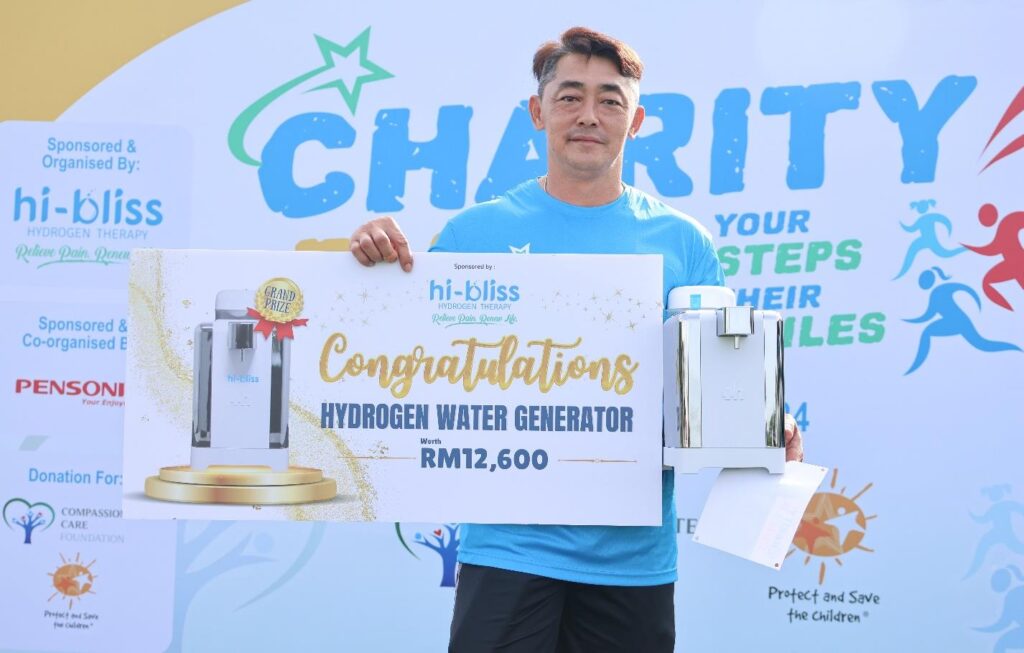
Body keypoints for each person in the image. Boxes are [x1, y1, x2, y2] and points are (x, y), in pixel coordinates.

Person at [349, 27, 804, 652]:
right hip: (508, 549)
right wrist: (369, 264)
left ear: (635, 121)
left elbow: (715, 383)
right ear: (538, 112)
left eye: (610, 100)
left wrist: (763, 425)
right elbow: (400, 363)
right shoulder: (473, 235)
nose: (589, 115)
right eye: (569, 97)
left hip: (633, 560)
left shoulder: (683, 242)